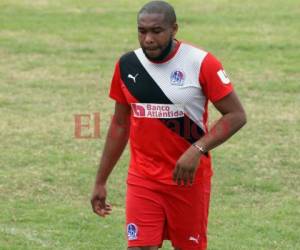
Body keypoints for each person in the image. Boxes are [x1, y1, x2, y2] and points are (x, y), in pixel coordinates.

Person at [91, 1, 247, 249]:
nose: (148, 39)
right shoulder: (128, 65)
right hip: (143, 178)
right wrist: (100, 181)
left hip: (188, 181)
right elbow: (120, 124)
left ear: (174, 29)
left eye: (156, 31)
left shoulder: (201, 62)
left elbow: (236, 115)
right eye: (142, 31)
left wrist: (197, 149)